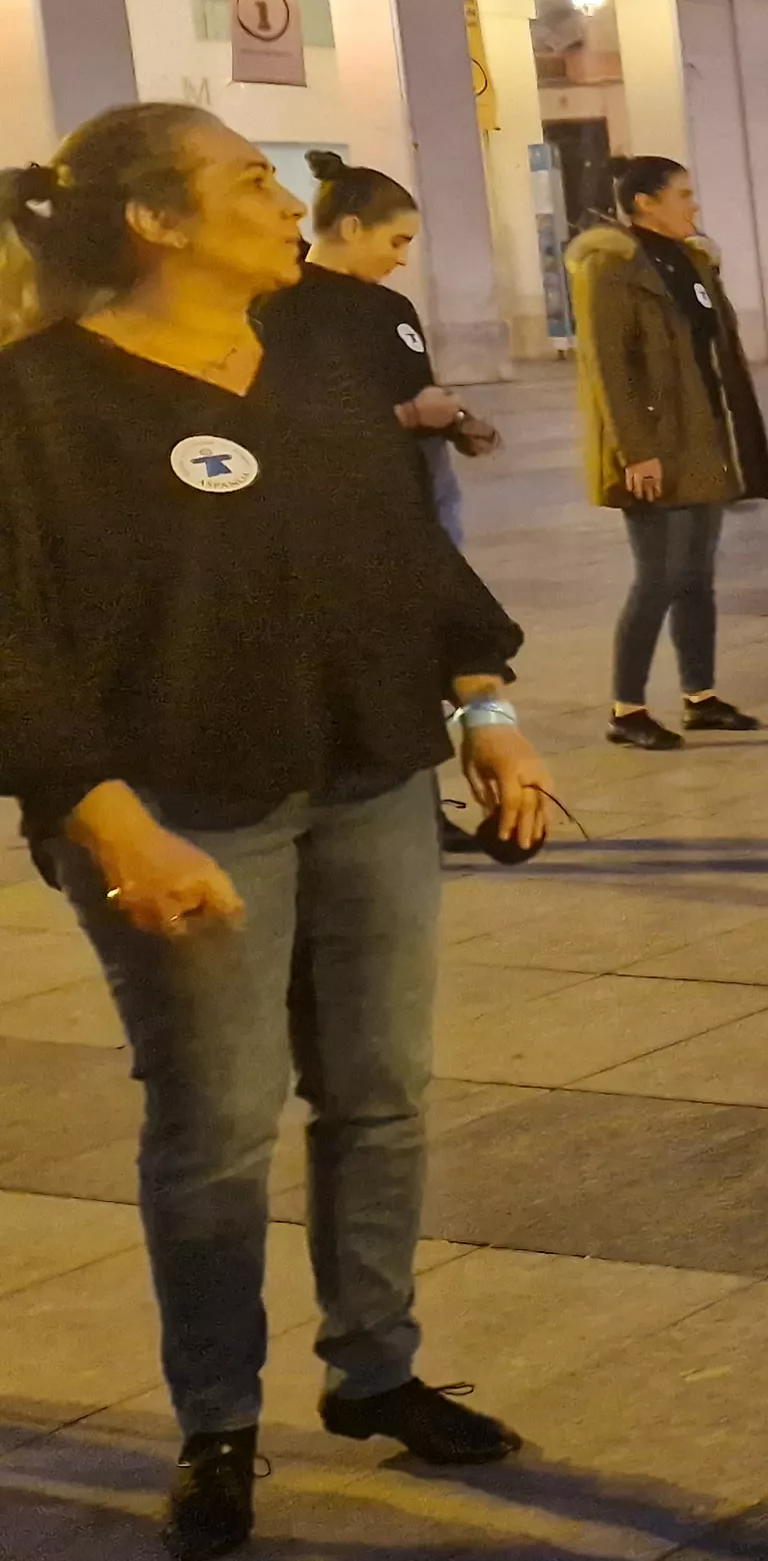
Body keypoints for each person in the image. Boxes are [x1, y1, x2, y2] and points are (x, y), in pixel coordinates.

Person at [0, 104, 557, 1558]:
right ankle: (217, 1421)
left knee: (381, 1090)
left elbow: (402, 543)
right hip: (177, 807)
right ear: (158, 224)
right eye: (252, 183)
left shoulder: (326, 340)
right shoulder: (38, 399)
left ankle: (374, 1369)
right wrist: (104, 819)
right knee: (217, 1125)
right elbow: (14, 641)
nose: (286, 202)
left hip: (369, 772)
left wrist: (481, 713)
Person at [571, 155, 768, 751]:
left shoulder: (692, 262)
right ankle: (626, 708)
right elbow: (609, 368)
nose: (694, 205)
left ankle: (700, 696)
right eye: (683, 194)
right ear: (644, 204)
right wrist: (637, 452)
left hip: (702, 435)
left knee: (696, 577)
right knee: (655, 577)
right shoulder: (611, 267)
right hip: (654, 444)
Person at [260, 154, 497, 544]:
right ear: (353, 228)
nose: (402, 259)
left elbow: (412, 385)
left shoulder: (391, 306)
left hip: (413, 493)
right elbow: (301, 421)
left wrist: (456, 422)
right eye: (396, 241)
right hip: (347, 514)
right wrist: (410, 415)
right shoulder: (288, 308)